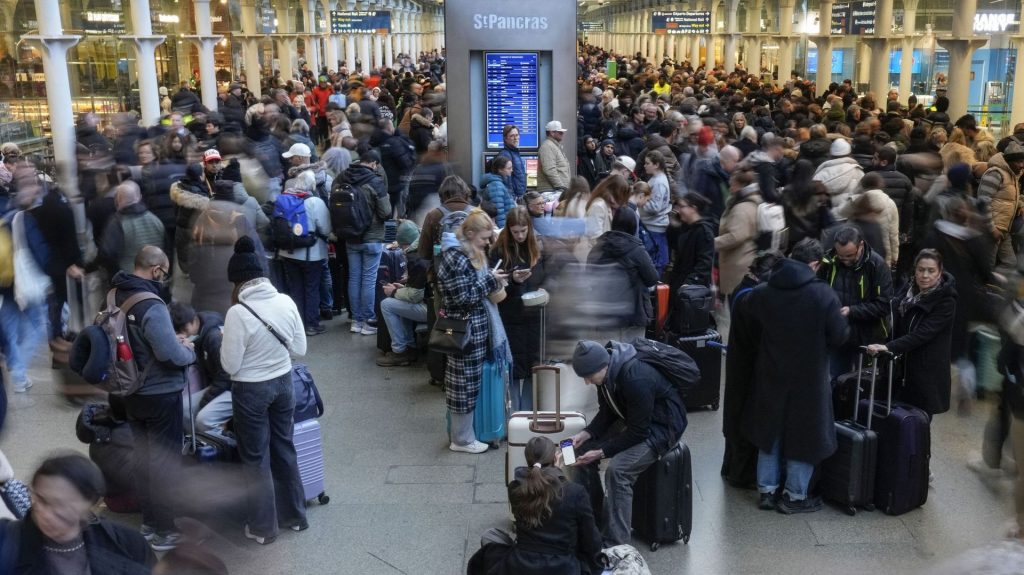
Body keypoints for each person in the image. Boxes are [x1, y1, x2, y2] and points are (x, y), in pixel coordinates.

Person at [739, 245, 849, 513]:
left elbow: (749, 318)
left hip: (771, 371)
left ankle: (767, 490)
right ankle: (794, 496)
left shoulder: (764, 291)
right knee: (805, 435)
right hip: (809, 377)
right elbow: (839, 336)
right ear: (814, 265)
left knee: (770, 430)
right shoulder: (823, 294)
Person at [220, 236, 309, 545]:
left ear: (238, 282)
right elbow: (300, 347)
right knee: (285, 446)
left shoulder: (237, 313)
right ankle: (296, 516)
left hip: (251, 391)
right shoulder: (285, 302)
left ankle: (263, 528)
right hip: (284, 383)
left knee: (255, 457)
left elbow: (230, 365)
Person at [112, 246, 196, 551]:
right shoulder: (151, 304)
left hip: (128, 388)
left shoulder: (115, 295)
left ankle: (149, 522)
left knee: (144, 457)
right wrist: (188, 349)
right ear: (157, 270)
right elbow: (169, 354)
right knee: (164, 461)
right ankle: (165, 530)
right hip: (159, 393)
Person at [568, 339, 687, 546]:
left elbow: (638, 433)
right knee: (580, 454)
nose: (587, 382)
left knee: (618, 472)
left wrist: (602, 452)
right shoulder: (604, 376)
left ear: (602, 366)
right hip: (632, 418)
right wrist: (587, 434)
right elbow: (607, 411)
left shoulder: (636, 378)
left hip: (662, 428)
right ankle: (593, 521)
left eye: (588, 377)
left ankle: (617, 542)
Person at [0, 453, 154, 573]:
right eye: (40, 499)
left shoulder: (128, 545)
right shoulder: (6, 541)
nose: (46, 514)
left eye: (60, 505)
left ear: (89, 506)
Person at [470, 437, 603, 575]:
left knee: (490, 535)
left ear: (528, 461)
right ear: (555, 459)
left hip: (521, 565)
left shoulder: (515, 488)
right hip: (562, 567)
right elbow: (591, 540)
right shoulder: (575, 492)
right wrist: (558, 473)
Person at [436, 209, 510, 454]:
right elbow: (462, 298)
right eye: (484, 238)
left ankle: (465, 436)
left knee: (466, 382)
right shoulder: (455, 257)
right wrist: (490, 279)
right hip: (463, 331)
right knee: (462, 385)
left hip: (470, 329)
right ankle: (462, 440)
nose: (488, 243)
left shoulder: (465, 253)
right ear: (469, 233)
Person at [866, 249, 957, 416]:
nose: (925, 275)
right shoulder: (907, 292)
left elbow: (922, 334)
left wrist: (889, 347)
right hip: (900, 373)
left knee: (917, 427)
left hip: (925, 375)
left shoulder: (946, 302)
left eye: (931, 271)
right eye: (921, 270)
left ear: (939, 273)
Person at [489, 207, 547, 411]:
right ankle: (513, 416)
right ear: (509, 230)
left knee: (533, 367)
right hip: (510, 315)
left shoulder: (539, 246)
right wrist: (512, 280)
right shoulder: (498, 250)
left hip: (534, 314)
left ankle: (528, 415)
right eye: (516, 232)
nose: (520, 235)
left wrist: (545, 288)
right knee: (512, 367)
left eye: (523, 231)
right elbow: (492, 284)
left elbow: (549, 275)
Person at [818, 225, 894, 380]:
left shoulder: (876, 266)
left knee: (862, 385)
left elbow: (884, 305)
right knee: (833, 380)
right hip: (839, 334)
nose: (845, 260)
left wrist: (851, 311)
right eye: (841, 256)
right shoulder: (829, 262)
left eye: (849, 255)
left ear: (860, 246)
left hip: (868, 337)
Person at [337, 150, 391, 336]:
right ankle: (368, 321)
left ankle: (356, 320)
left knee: (354, 277)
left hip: (350, 236)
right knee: (368, 278)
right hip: (372, 237)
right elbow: (386, 212)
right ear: (374, 164)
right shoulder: (375, 181)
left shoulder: (344, 178)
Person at [587, 206, 659, 342]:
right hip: (633, 314)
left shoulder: (597, 248)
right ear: (633, 226)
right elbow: (652, 279)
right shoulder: (636, 249)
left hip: (604, 316)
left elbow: (588, 277)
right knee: (632, 356)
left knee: (608, 357)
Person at [376, 221, 430, 367]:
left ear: (404, 244)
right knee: (400, 304)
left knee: (386, 304)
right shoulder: (425, 249)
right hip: (433, 303)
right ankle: (409, 346)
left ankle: (399, 351)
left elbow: (414, 296)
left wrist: (394, 291)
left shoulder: (415, 258)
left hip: (430, 309)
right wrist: (403, 288)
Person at [96, 181, 167, 277]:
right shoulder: (156, 220)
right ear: (140, 197)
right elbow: (167, 251)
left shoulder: (117, 223)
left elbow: (107, 254)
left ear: (117, 199)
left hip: (130, 279)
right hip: (155, 278)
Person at [976, 141, 1024, 271]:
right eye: (1018, 162)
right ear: (1009, 161)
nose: (1021, 165)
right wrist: (991, 228)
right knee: (987, 267)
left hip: (1003, 229)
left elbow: (1006, 196)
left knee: (1010, 263)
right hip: (991, 229)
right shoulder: (995, 173)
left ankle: (995, 286)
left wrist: (1019, 204)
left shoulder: (1012, 176)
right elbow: (982, 201)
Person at [715, 169, 762, 298]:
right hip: (744, 259)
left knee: (735, 301)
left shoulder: (742, 208)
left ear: (742, 186)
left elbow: (736, 236)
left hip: (738, 263)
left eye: (733, 185)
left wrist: (713, 243)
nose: (730, 188)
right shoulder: (755, 199)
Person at [667, 192, 715, 295]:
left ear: (693, 208)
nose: (679, 210)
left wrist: (690, 283)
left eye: (682, 206)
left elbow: (704, 264)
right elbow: (673, 246)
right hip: (678, 282)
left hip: (691, 290)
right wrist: (673, 226)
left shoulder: (703, 231)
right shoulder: (685, 227)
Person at [637, 150, 672, 275]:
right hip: (651, 225)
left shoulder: (659, 182)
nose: (645, 165)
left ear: (656, 165)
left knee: (655, 262)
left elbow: (655, 207)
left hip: (655, 227)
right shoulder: (655, 179)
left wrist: (639, 201)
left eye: (647, 163)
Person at [480, 155, 516, 229]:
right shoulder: (496, 186)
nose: (511, 170)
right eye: (509, 168)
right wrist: (503, 231)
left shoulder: (499, 183)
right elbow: (499, 213)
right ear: (500, 170)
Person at [537, 120, 571, 192]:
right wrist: (561, 187)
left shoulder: (553, 146)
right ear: (552, 133)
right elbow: (549, 170)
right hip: (552, 192)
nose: (562, 134)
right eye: (560, 132)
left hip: (555, 191)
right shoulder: (547, 146)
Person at [497, 125, 527, 200]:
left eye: (517, 135)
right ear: (505, 139)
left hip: (519, 196)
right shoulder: (505, 154)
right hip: (514, 198)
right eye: (512, 136)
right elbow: (506, 179)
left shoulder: (515, 153)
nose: (515, 138)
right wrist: (512, 198)